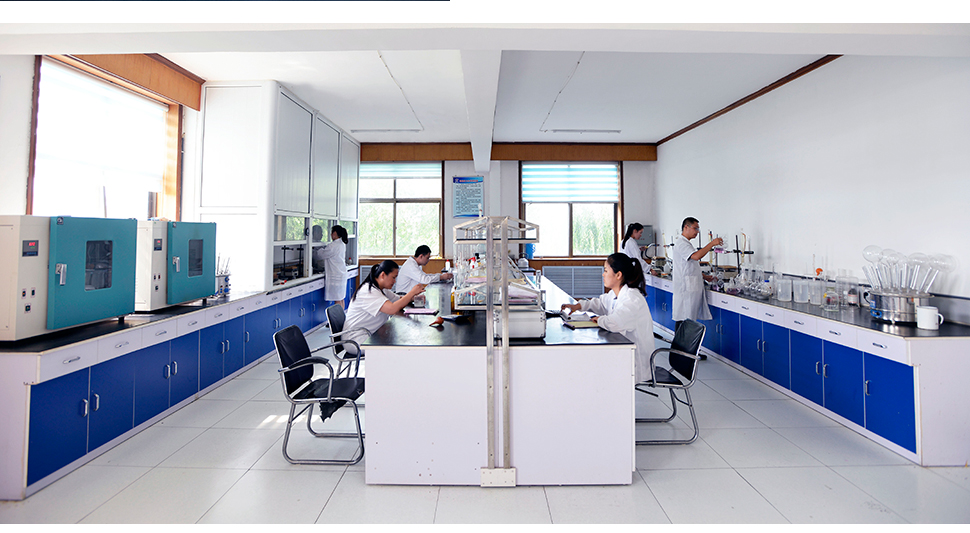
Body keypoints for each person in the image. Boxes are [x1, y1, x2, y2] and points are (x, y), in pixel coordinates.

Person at [560, 253, 655, 383]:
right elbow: (600, 303)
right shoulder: (615, 294)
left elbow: (615, 323)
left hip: (637, 364)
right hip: (624, 355)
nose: (603, 274)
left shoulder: (632, 299)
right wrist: (579, 306)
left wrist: (599, 319)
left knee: (592, 370)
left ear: (618, 275)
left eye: (606, 270)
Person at [341, 260, 426, 352]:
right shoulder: (368, 291)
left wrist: (414, 298)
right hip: (356, 340)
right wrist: (411, 293)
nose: (395, 281)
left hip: (370, 335)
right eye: (393, 277)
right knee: (398, 345)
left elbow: (399, 300)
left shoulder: (382, 290)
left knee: (400, 340)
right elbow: (392, 309)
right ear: (383, 275)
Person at [672, 217, 722, 358]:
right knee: (685, 321)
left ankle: (687, 352)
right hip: (686, 291)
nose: (697, 231)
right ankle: (684, 354)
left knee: (688, 321)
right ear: (686, 227)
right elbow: (696, 256)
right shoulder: (681, 243)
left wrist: (704, 276)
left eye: (698, 229)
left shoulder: (686, 244)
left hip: (690, 288)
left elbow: (689, 266)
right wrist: (712, 243)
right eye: (695, 228)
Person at [313, 224, 349, 309]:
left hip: (335, 275)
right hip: (341, 274)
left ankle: (338, 317)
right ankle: (342, 316)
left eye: (331, 233)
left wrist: (316, 250)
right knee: (341, 299)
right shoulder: (341, 244)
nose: (330, 235)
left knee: (337, 301)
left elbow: (321, 255)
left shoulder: (333, 245)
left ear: (335, 233)